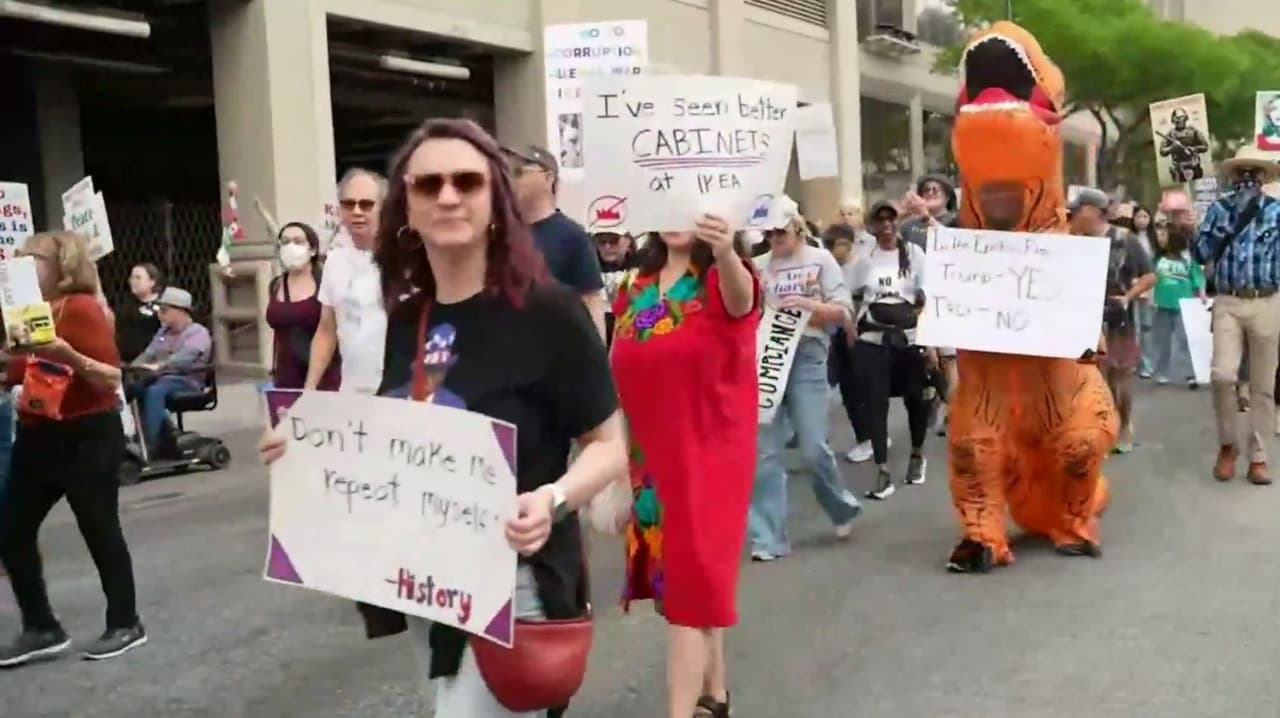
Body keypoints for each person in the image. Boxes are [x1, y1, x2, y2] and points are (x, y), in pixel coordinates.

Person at [262, 118, 626, 716]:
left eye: (467, 181)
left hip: (516, 576)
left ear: (495, 202)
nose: (449, 196)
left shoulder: (548, 312)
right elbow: (393, 432)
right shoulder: (409, 317)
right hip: (426, 575)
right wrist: (304, 448)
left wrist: (554, 499)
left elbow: (608, 444)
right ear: (405, 206)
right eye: (428, 185)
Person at [610, 216, 758, 718]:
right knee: (684, 584)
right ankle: (714, 697)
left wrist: (724, 252)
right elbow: (617, 365)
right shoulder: (635, 284)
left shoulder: (725, 275)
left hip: (709, 456)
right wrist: (614, 462)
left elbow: (742, 304)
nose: (676, 220)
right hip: (650, 456)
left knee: (690, 592)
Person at [0, 231, 144, 667]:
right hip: (39, 430)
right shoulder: (24, 311)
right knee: (11, 528)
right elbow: (17, 369)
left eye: (33, 255)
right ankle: (41, 626)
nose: (22, 260)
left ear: (61, 264)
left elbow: (111, 376)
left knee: (98, 527)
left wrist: (68, 354)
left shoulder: (79, 309)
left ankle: (125, 621)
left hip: (88, 432)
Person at [748, 195, 860, 562]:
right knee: (764, 452)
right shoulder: (757, 266)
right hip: (765, 360)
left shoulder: (820, 259)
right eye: (769, 233)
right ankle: (768, 537)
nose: (776, 239)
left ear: (797, 226)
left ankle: (840, 506)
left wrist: (814, 309)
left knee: (812, 447)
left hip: (808, 356)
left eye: (781, 231)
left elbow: (844, 311)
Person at [1192, 146, 1280, 484]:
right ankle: (1228, 445)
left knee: (1263, 386)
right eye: (1242, 173)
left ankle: (1258, 456)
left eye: (1253, 174)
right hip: (1228, 301)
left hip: (1267, 301)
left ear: (1263, 178)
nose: (1247, 180)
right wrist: (1213, 227)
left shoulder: (1276, 211)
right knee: (1223, 376)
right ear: (1233, 178)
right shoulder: (1218, 209)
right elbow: (1200, 253)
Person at [848, 200, 933, 499]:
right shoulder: (863, 257)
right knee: (875, 403)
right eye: (880, 219)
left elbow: (928, 295)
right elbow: (852, 296)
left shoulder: (913, 254)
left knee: (916, 400)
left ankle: (916, 454)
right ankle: (882, 470)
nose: (886, 224)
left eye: (891, 219)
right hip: (873, 339)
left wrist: (929, 339)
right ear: (872, 224)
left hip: (908, 337)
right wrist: (851, 330)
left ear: (898, 222)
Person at [1069, 188, 1154, 454]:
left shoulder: (1124, 239)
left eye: (1078, 209)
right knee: (1092, 377)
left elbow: (1149, 276)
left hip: (1117, 318)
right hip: (1084, 317)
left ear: (1093, 211)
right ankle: (1100, 430)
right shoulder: (1072, 241)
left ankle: (1125, 424)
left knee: (1120, 378)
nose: (1073, 214)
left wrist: (1129, 297)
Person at [505, 145, 606, 342]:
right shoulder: (501, 234)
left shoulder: (572, 235)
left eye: (519, 172)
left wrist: (597, 356)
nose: (511, 179)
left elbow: (590, 300)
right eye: (508, 172)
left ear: (548, 178)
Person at [305, 168, 387, 395]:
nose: (357, 211)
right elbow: (326, 329)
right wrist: (309, 389)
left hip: (398, 393)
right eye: (349, 204)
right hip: (351, 392)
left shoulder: (404, 258)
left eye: (366, 204)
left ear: (383, 208)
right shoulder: (334, 260)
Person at [128, 287, 212, 453]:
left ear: (181, 311)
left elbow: (185, 357)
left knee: (155, 391)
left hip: (187, 380)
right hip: (160, 378)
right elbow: (148, 354)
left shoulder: (198, 332)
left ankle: (150, 444)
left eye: (164, 310)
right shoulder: (162, 332)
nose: (160, 314)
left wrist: (161, 365)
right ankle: (148, 435)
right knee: (132, 389)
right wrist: (133, 368)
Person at [266, 222, 338, 390]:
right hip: (285, 378)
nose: (290, 247)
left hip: (323, 378)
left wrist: (311, 384)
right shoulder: (277, 285)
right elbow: (278, 334)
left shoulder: (325, 283)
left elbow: (330, 330)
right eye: (285, 242)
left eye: (297, 241)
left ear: (312, 249)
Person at [1150, 222, 1206, 388]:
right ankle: (1160, 372)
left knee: (1186, 341)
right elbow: (1150, 278)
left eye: (1165, 236)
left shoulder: (1188, 260)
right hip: (1162, 304)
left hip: (1184, 305)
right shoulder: (1158, 259)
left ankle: (1192, 373)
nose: (1161, 239)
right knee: (1162, 341)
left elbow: (1198, 278)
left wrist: (1201, 293)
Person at [595, 231, 640, 346]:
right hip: (599, 334)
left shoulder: (643, 265)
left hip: (631, 333)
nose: (607, 247)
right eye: (602, 242)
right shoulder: (589, 266)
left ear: (628, 241)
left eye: (614, 241)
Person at [115, 263, 163, 363]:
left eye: (138, 277)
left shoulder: (164, 306)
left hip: (151, 361)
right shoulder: (126, 305)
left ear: (152, 282)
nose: (133, 281)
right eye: (131, 277)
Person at [898, 175, 958, 250]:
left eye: (935, 190)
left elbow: (955, 244)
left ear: (948, 196)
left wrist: (926, 217)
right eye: (926, 190)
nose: (930, 193)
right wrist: (898, 217)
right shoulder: (909, 225)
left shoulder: (957, 220)